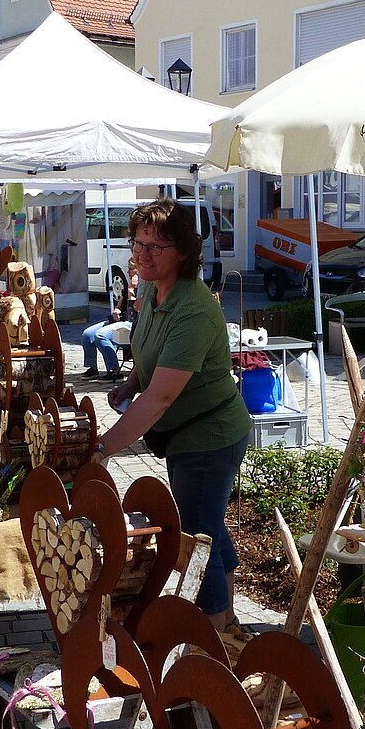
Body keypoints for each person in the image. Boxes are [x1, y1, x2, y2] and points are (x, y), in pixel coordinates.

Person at [95, 200, 251, 636]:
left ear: (183, 252)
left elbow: (161, 398)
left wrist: (104, 447)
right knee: (207, 521)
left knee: (197, 533)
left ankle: (214, 633)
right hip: (185, 433)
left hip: (210, 435)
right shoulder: (151, 291)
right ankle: (228, 618)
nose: (142, 255)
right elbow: (151, 353)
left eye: (155, 247)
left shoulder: (194, 309)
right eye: (138, 244)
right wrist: (130, 383)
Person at [80, 264, 137, 379]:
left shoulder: (142, 288)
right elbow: (119, 306)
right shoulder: (128, 286)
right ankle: (92, 367)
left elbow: (136, 311)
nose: (128, 272)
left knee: (101, 335)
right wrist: (117, 310)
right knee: (87, 334)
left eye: (131, 269)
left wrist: (132, 294)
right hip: (119, 320)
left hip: (132, 322)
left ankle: (114, 370)